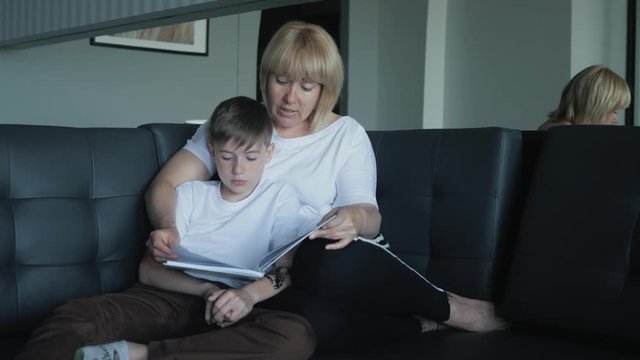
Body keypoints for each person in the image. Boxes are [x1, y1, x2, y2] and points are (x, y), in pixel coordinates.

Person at [146, 20, 507, 352]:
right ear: (265, 76)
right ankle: (415, 325)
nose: (291, 98)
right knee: (301, 324)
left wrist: (352, 216)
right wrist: (169, 225)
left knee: (318, 257)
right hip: (268, 279)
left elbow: (371, 218)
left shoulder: (345, 134)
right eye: (282, 81)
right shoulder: (237, 125)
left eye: (307, 86)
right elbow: (166, 184)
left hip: (337, 264)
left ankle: (449, 307)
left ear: (325, 89)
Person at [15, 96, 316, 360]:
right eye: (227, 157)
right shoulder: (190, 194)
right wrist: (206, 289)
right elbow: (148, 271)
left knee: (295, 335)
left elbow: (283, 271)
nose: (238, 169)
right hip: (168, 299)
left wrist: (248, 297)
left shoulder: (280, 198)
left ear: (269, 154)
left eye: (251, 157)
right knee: (74, 316)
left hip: (234, 306)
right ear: (212, 153)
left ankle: (144, 354)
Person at [538, 64, 631, 130]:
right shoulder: (564, 136)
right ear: (594, 107)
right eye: (613, 111)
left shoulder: (554, 132)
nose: (616, 120)